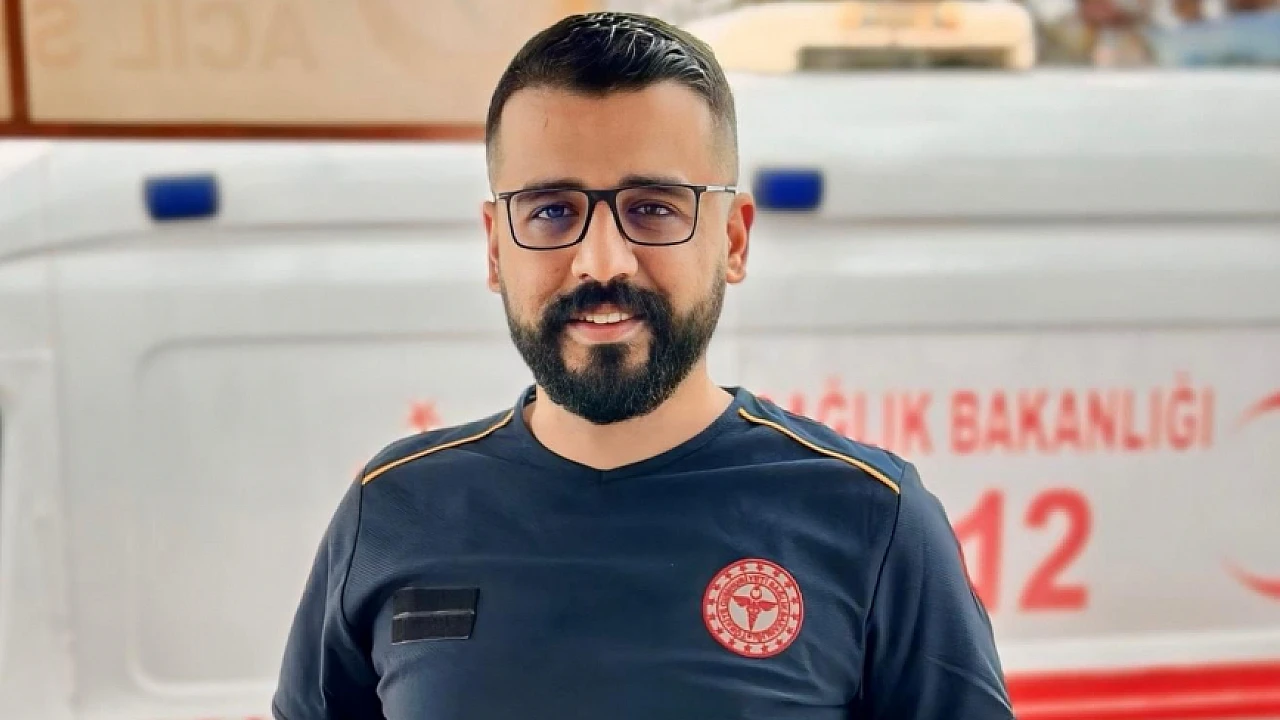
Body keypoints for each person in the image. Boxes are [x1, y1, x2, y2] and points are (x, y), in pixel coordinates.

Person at [270, 11, 1013, 720]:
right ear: (495, 248)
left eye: (653, 208)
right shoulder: (391, 512)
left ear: (734, 240)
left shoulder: (871, 519)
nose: (602, 262)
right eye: (552, 211)